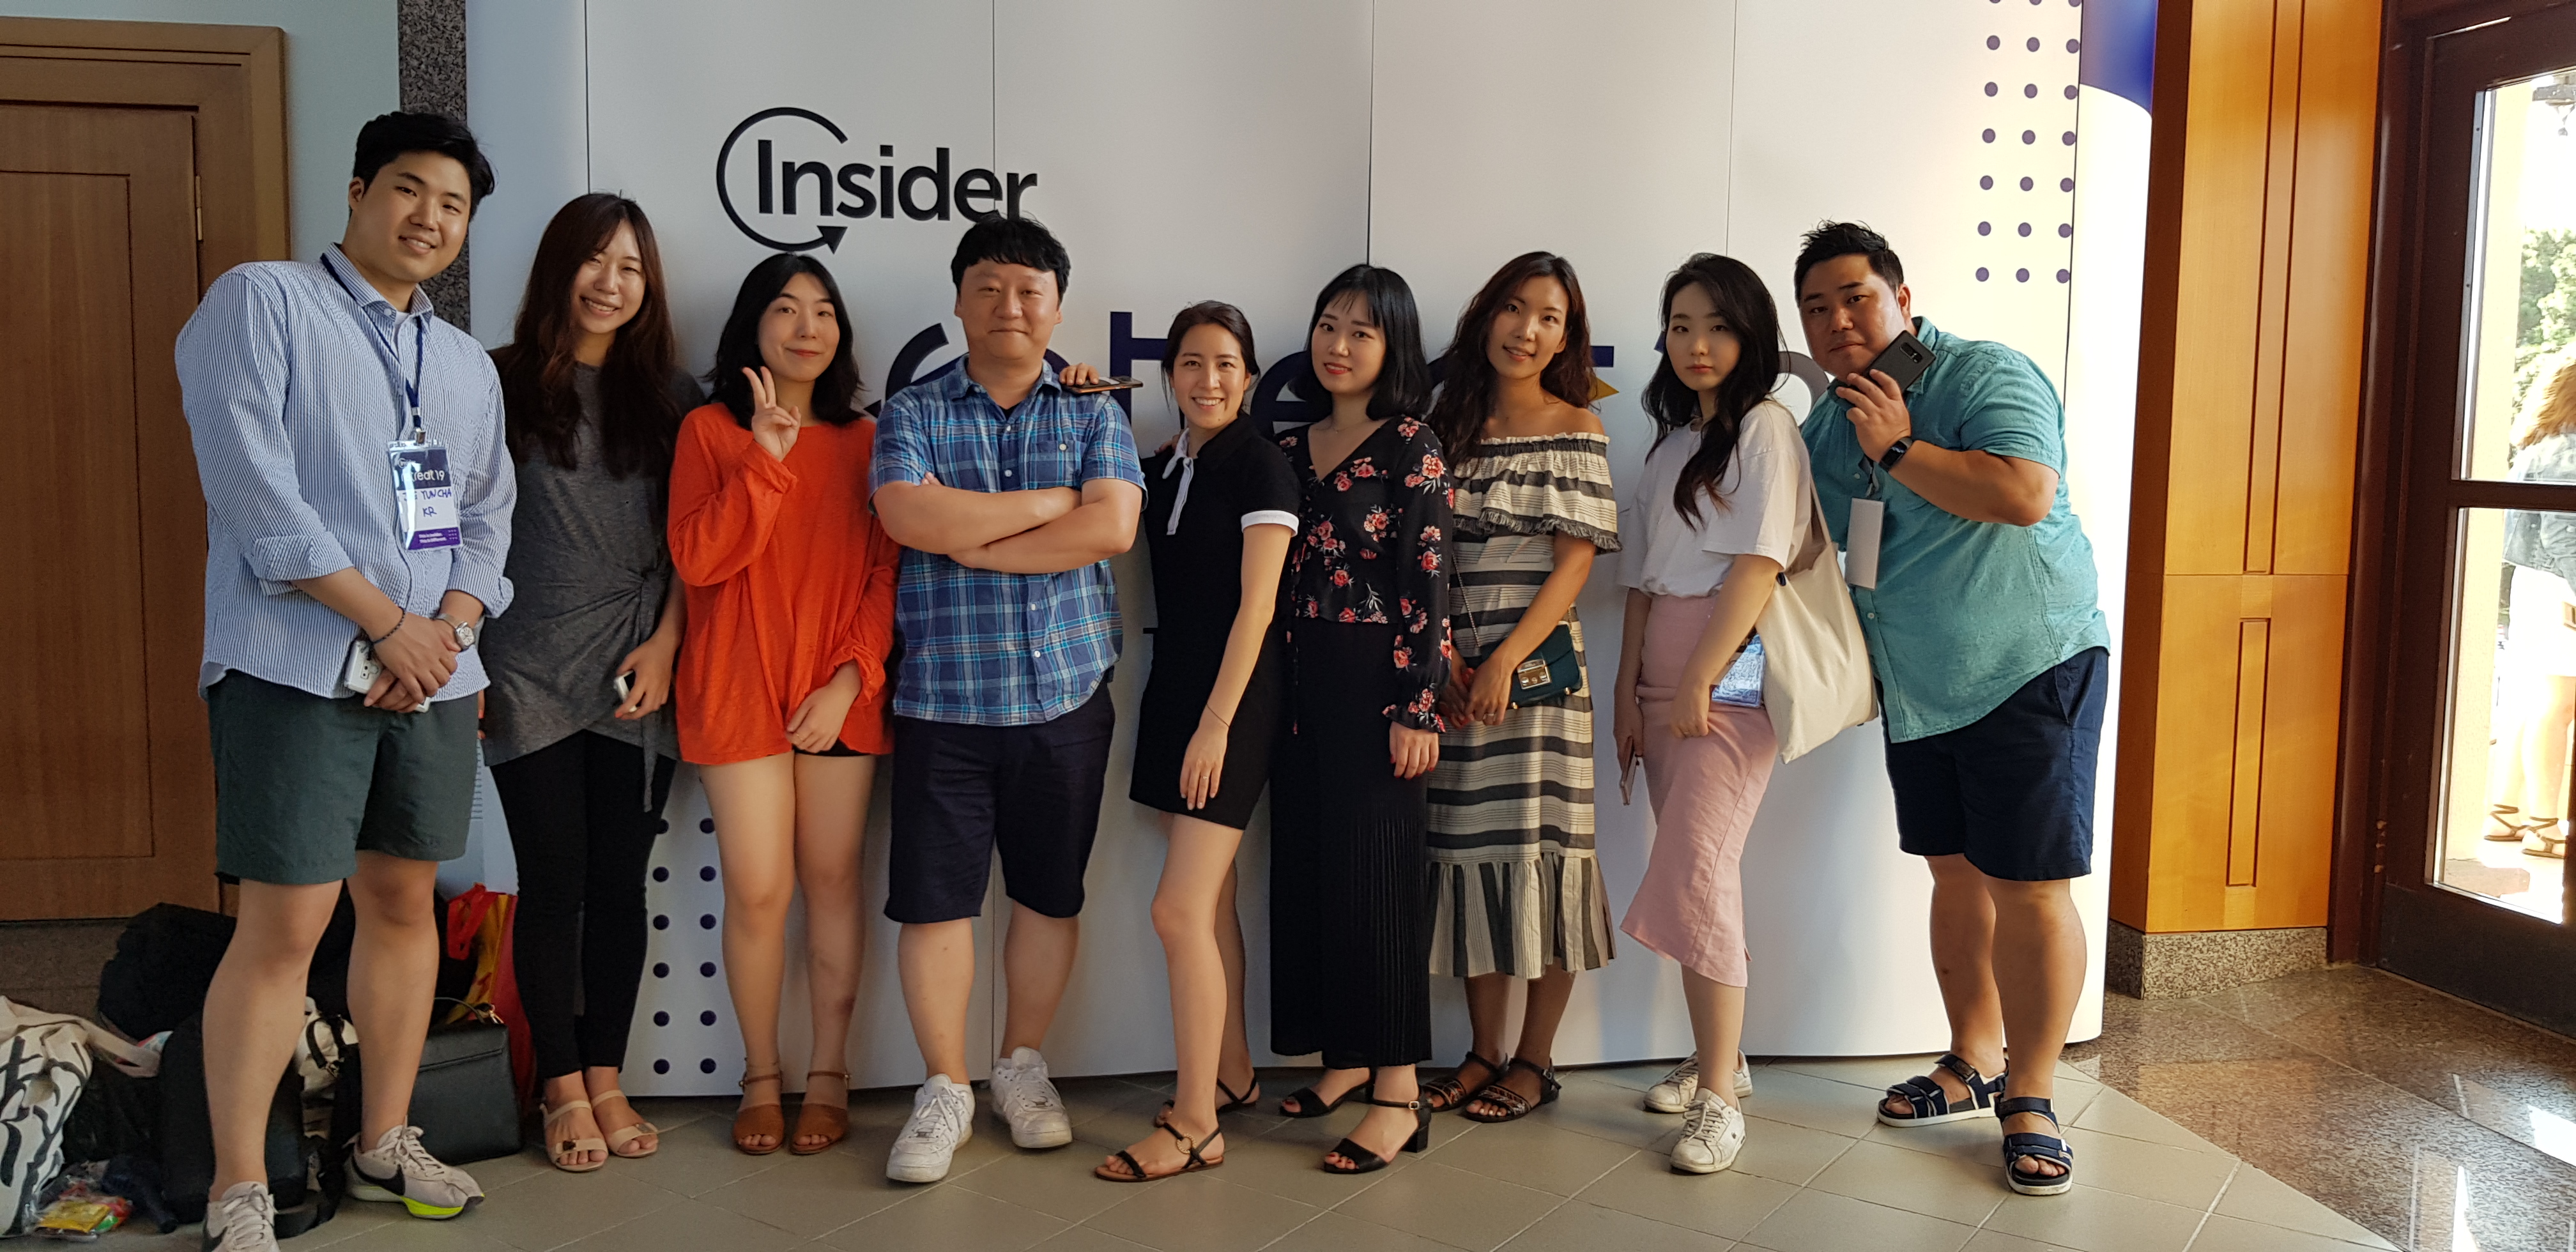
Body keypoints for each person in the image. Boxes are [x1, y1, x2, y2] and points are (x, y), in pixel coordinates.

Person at [174, 111, 506, 1252]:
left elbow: (484, 518)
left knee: (406, 904)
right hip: (296, 665)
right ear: (359, 191)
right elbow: (255, 492)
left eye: (453, 206)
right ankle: (237, 1185)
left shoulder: (462, 362)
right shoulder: (263, 301)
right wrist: (387, 626)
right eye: (409, 189)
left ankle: (383, 1139)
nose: (429, 218)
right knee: (286, 925)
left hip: (433, 676)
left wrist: (445, 633)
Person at [1796, 222, 2108, 1197]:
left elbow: (2023, 494)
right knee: (1956, 874)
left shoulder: (1982, 375)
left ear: (1901, 298)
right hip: (1921, 685)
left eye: (1856, 297)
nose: (1838, 320)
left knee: (2031, 884)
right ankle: (1972, 1060)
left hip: (2028, 663)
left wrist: (1897, 447)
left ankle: (2034, 1092)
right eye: (1816, 307)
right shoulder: (1824, 428)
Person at [869, 216, 1145, 1184]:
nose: (1010, 306)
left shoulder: (1093, 412)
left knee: (1047, 895)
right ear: (958, 300)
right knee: (935, 905)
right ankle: (945, 1087)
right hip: (943, 699)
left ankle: (1021, 1068)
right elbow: (907, 513)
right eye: (988, 287)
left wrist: (973, 541)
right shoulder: (912, 411)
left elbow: (1111, 529)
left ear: (1058, 308)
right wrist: (1047, 506)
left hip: (1065, 697)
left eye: (1030, 291)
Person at [480, 192, 694, 1173]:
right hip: (521, 662)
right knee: (554, 879)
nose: (612, 283)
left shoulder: (674, 397)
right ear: (557, 267)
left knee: (619, 883)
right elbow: (441, 523)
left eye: (632, 267)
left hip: (636, 663)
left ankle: (606, 1076)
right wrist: (458, 656)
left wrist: (669, 643)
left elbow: (696, 545)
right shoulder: (493, 381)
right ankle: (560, 1086)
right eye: (595, 261)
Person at [670, 253, 900, 1157]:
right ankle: (761, 1076)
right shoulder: (708, 431)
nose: (808, 327)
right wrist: (764, 462)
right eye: (786, 309)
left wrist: (849, 680)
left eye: (824, 311)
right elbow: (700, 560)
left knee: (834, 882)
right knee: (760, 892)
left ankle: (831, 1072)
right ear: (752, 327)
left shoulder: (867, 438)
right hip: (736, 688)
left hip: (838, 692)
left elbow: (886, 573)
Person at [1611, 253, 1810, 1174]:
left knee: (1697, 869)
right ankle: (1717, 1061)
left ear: (1751, 334)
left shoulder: (1766, 426)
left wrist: (1700, 676)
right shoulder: (1668, 447)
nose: (1698, 344)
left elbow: (1759, 565)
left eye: (1719, 326)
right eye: (1682, 325)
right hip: (1661, 673)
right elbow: (1642, 584)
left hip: (1727, 675)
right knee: (1703, 876)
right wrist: (1630, 691)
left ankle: (1720, 1100)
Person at [1094, 303, 1298, 1184]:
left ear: (1248, 377)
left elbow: (1258, 608)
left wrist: (1216, 724)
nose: (1207, 380)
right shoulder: (1169, 462)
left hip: (1235, 702)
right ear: (1169, 374)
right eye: (1190, 363)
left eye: (1224, 364)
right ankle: (1234, 1073)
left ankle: (1195, 1123)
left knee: (1176, 911)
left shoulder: (1261, 463)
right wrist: (1080, 396)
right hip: (1175, 690)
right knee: (1209, 904)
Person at [1418, 253, 1620, 1126]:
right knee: (1469, 858)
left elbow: (1574, 564)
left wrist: (1503, 660)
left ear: (1567, 338)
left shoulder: (1579, 426)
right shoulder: (1445, 425)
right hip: (1457, 684)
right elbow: (1422, 558)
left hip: (1539, 687)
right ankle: (1482, 1052)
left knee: (1548, 858)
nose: (1526, 329)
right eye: (1513, 307)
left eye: (1548, 317)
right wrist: (1447, 660)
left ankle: (1536, 1061)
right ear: (1486, 315)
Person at [1268, 264, 1452, 1174]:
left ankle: (1398, 1094)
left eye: (1361, 331)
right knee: (1314, 872)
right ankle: (1345, 1057)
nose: (1338, 345)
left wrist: (1418, 704)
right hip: (1297, 682)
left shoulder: (1412, 444)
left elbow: (1428, 578)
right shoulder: (1289, 445)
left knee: (1379, 881)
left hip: (1378, 683)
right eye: (1328, 325)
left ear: (1393, 346)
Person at [2491, 353, 2576, 862]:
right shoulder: (2570, 450)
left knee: (2536, 699)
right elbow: (2564, 534)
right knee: (2559, 705)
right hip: (2562, 588)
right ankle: (2544, 827)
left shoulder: (2545, 441)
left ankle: (2505, 813)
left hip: (2539, 585)